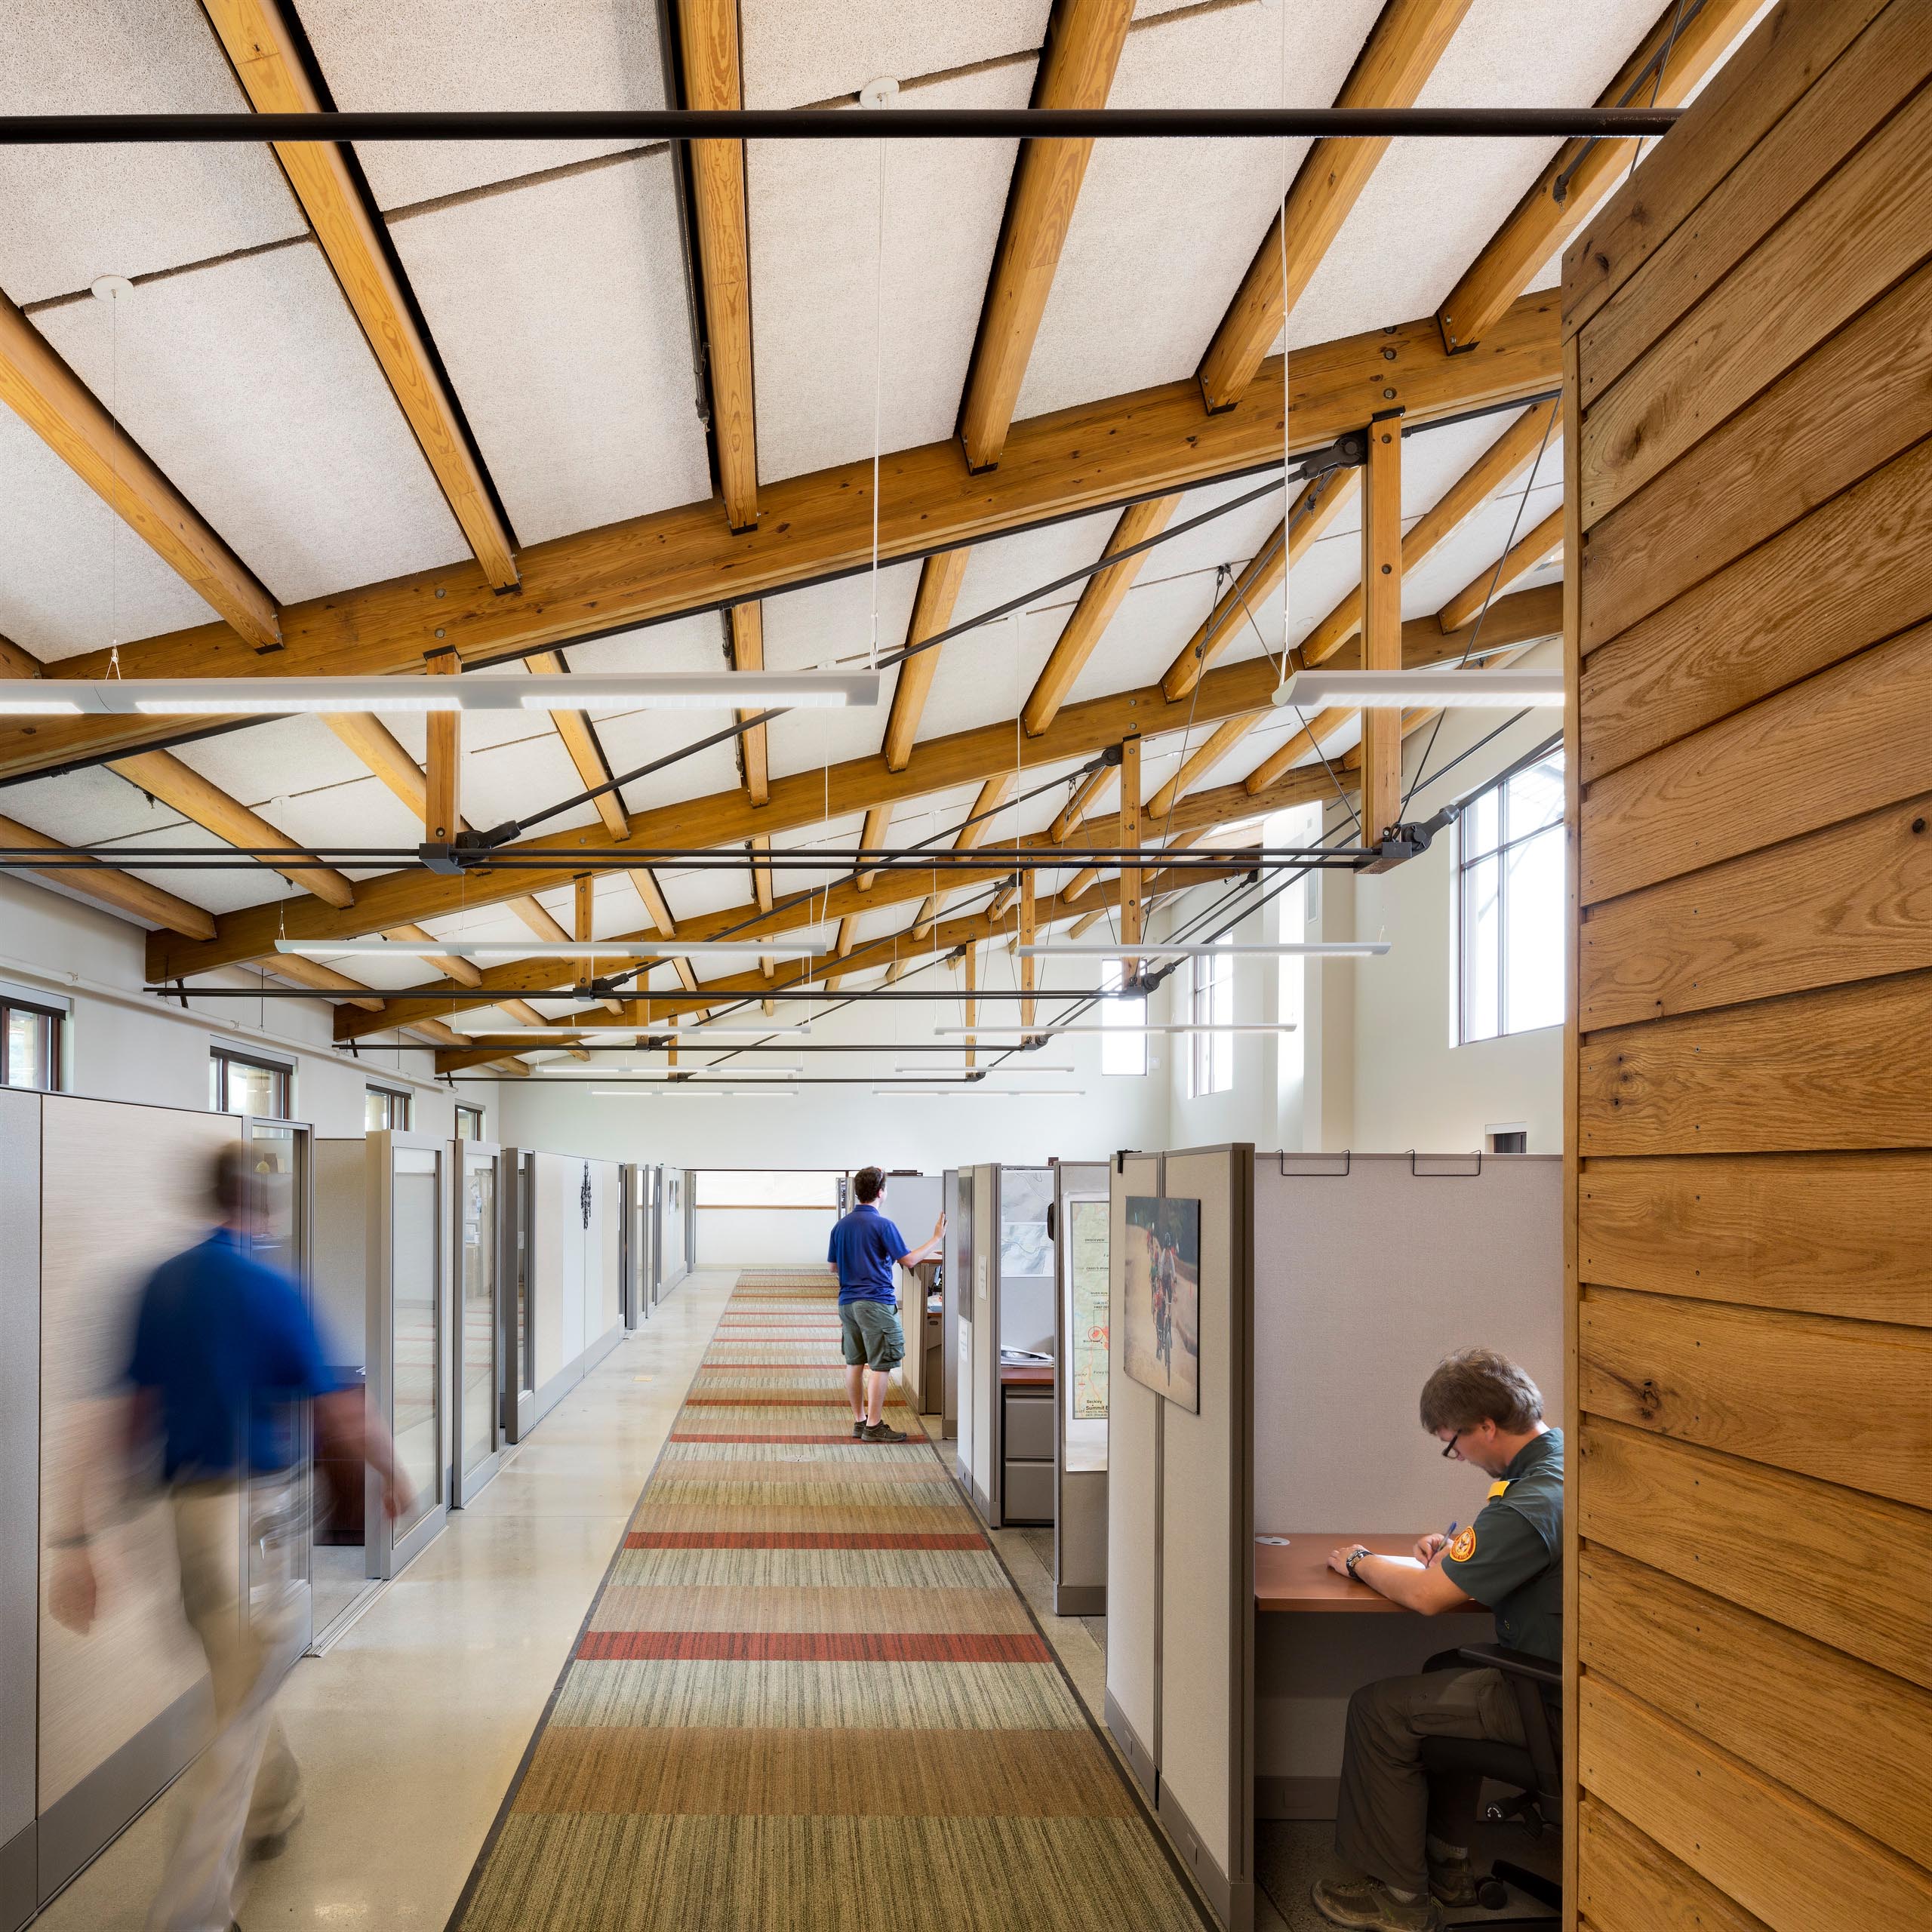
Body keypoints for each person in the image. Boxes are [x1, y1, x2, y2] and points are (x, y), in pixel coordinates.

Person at [50, 1143, 410, 1932]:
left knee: (235, 1671)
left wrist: (78, 1537)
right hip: (255, 1521)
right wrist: (395, 1473)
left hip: (177, 1513)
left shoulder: (158, 1285)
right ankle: (191, 1913)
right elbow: (341, 1411)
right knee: (236, 1709)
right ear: (264, 1205)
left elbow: (123, 1413)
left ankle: (275, 1801)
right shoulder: (272, 1287)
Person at [1311, 1349, 1563, 1932]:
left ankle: (1399, 1901)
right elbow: (1513, 1559)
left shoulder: (1528, 1502)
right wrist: (1455, 1558)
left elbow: (1427, 1599)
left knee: (1378, 1709)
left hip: (1557, 1704)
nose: (1457, 1457)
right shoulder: (1556, 1467)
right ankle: (1448, 1866)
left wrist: (1359, 1561)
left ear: (1488, 1427)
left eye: (1454, 1443)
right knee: (1441, 1667)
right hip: (1581, 1679)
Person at [826, 1166, 944, 1444]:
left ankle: (859, 1421)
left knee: (855, 1363)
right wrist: (936, 1238)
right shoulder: (883, 1225)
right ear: (881, 1192)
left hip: (848, 1303)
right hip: (876, 1302)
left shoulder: (841, 1226)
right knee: (881, 1365)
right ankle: (875, 1425)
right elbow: (909, 1260)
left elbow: (833, 1267)